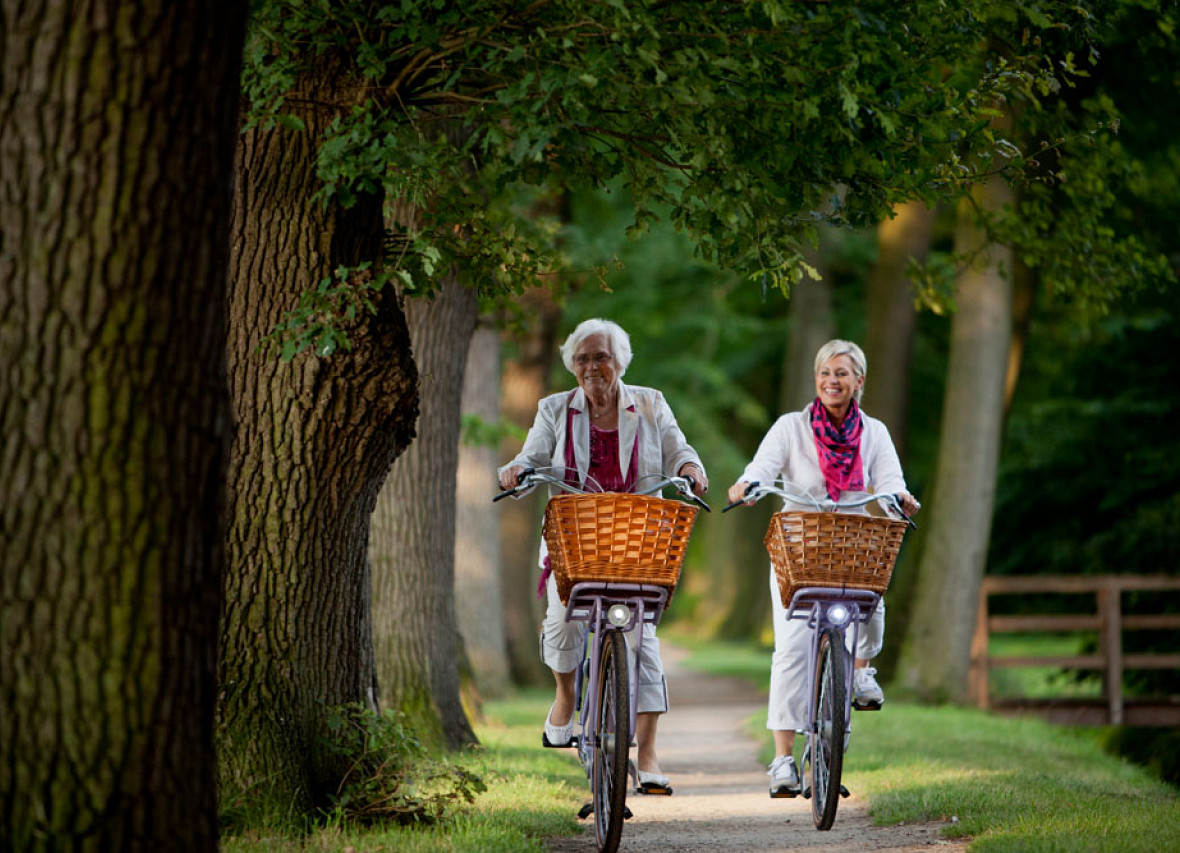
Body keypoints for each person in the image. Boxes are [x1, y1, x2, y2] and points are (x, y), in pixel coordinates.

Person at [499, 318, 708, 795]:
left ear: (620, 361)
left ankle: (649, 754)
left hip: (636, 541)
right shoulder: (555, 408)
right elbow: (532, 454)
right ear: (573, 365)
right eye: (583, 358)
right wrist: (516, 470)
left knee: (642, 642)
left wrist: (692, 469)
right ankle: (566, 695)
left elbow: (679, 448)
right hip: (575, 541)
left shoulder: (650, 403)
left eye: (602, 356)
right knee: (563, 622)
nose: (592, 366)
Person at [727, 339, 920, 798]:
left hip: (852, 543)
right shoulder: (791, 428)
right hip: (800, 547)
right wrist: (748, 485)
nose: (832, 381)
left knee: (873, 600)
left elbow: (890, 480)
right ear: (816, 379)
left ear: (860, 381)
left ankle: (860, 670)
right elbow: (763, 467)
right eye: (825, 373)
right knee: (792, 650)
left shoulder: (874, 433)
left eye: (842, 373)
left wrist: (899, 497)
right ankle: (782, 760)